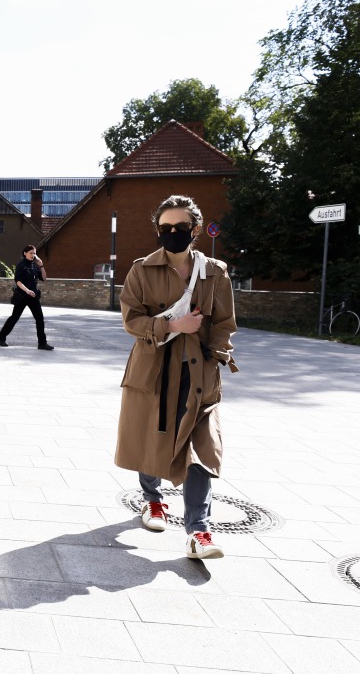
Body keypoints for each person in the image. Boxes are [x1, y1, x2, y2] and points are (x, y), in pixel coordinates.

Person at [115, 194, 237, 560]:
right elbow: (131, 320)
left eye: (179, 228)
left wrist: (217, 353)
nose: (171, 233)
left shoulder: (215, 271)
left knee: (201, 448)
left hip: (199, 371)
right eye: (164, 228)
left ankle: (199, 531)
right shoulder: (141, 269)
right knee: (152, 434)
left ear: (195, 230)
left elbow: (224, 323)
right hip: (153, 367)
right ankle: (152, 500)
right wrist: (172, 324)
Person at [0, 244, 53, 350]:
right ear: (25, 253)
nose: (33, 255)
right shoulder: (21, 265)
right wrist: (27, 291)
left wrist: (41, 266)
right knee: (14, 318)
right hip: (22, 296)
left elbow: (44, 278)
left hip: (33, 297)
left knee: (40, 319)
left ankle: (42, 343)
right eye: (31, 253)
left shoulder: (35, 266)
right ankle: (1, 337)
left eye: (34, 253)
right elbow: (18, 281)